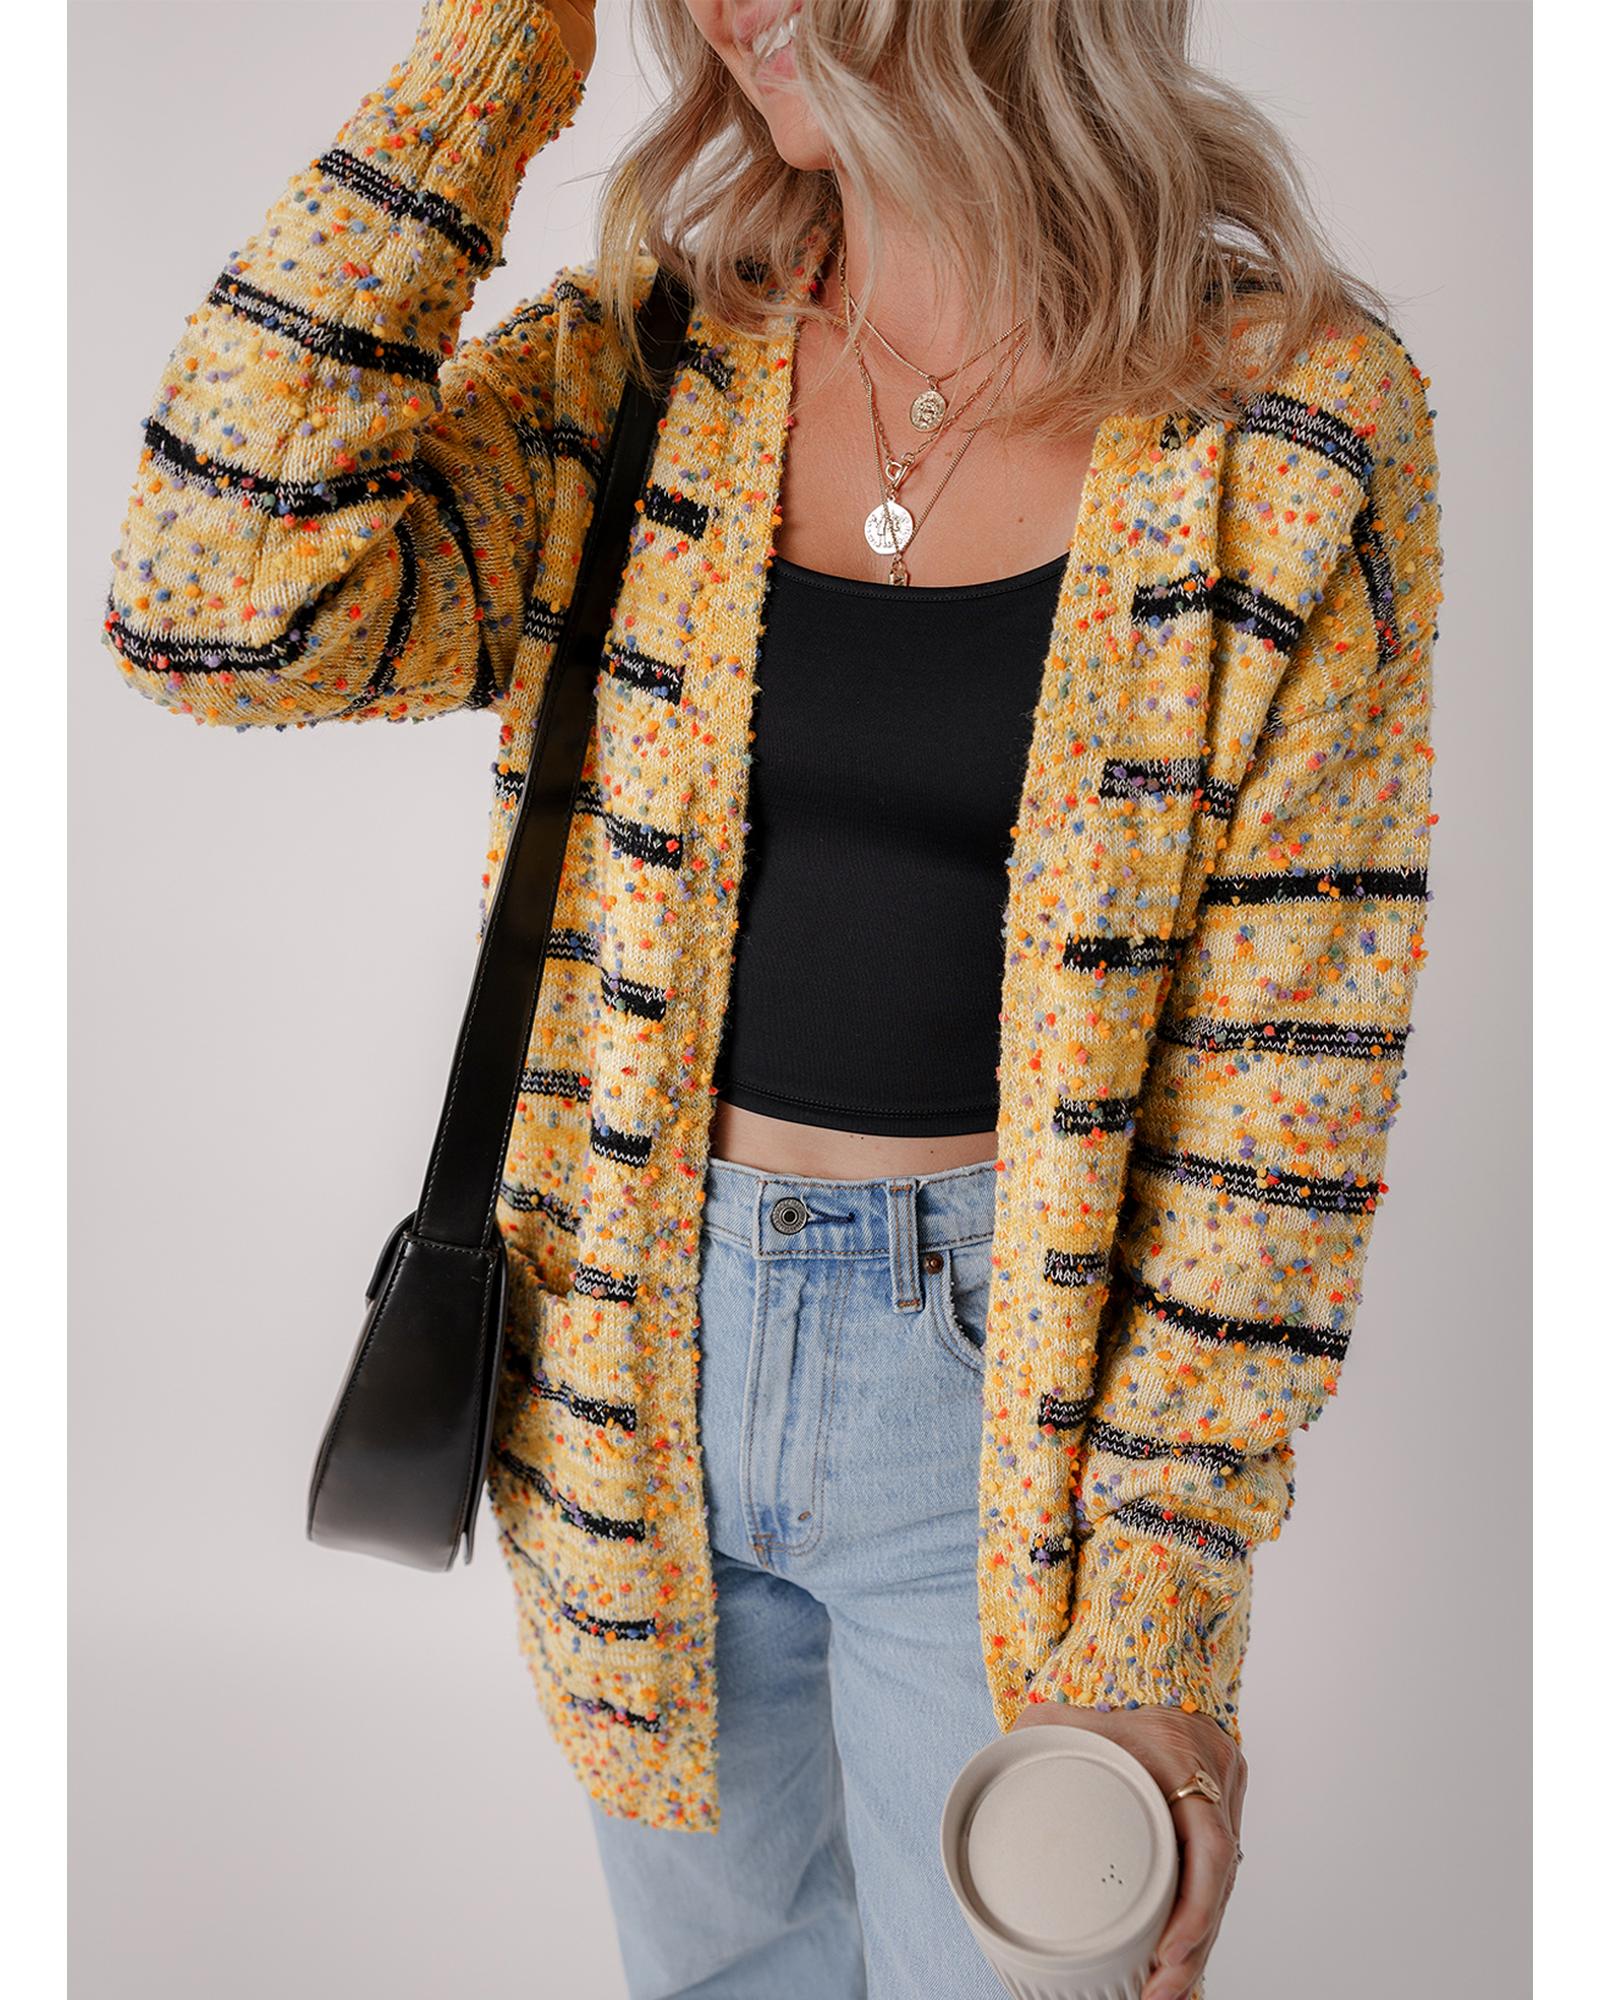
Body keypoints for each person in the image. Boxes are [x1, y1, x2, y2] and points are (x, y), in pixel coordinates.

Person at [99, 3, 1443, 1996]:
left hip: (1006, 1408)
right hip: (624, 1365)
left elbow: (1287, 1077)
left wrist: (1162, 1594)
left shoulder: (1292, 424)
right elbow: (213, 602)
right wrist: (500, 45)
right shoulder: (650, 363)